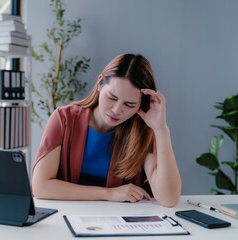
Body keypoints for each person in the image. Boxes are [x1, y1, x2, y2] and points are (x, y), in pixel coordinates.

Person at [31, 53, 181, 207]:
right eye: (112, 97)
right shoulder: (64, 118)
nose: (116, 110)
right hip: (67, 215)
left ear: (141, 105)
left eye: (129, 104)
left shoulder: (142, 131)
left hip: (117, 221)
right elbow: (41, 186)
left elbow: (169, 199)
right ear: (100, 83)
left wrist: (161, 130)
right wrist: (109, 194)